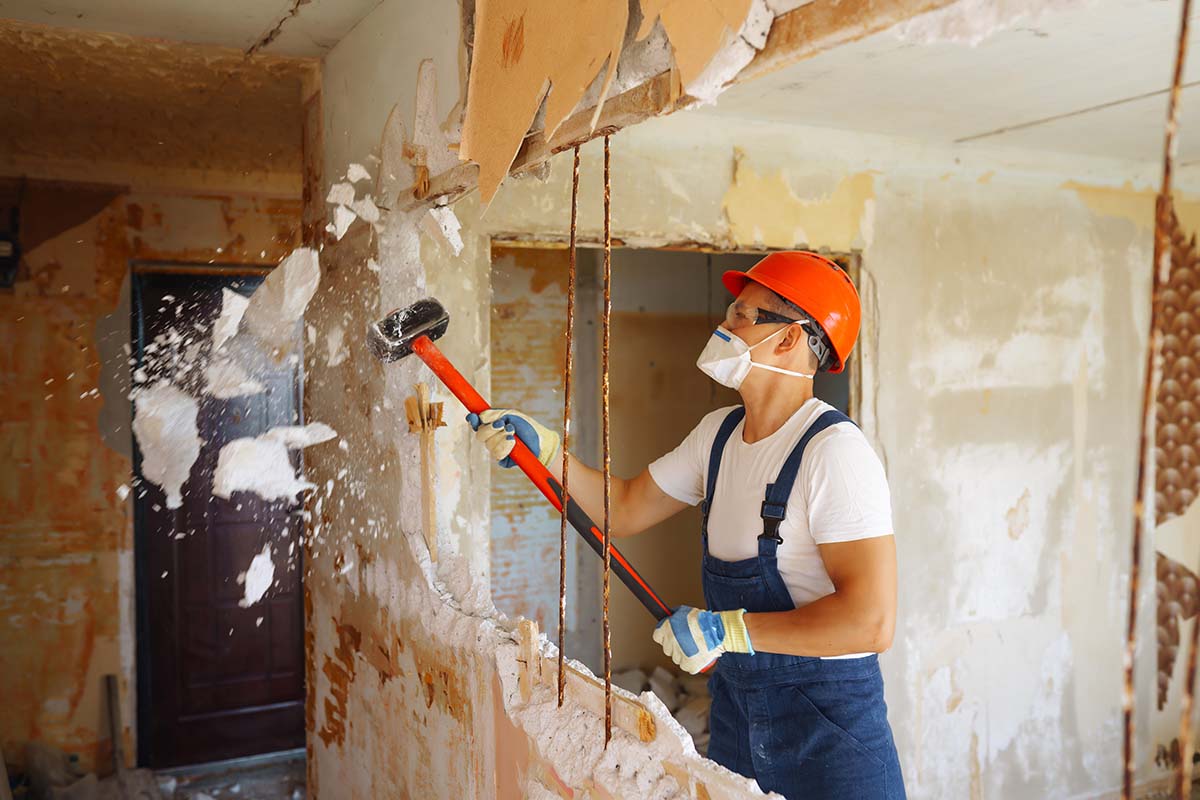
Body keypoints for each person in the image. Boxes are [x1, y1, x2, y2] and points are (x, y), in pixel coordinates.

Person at [468, 251, 904, 799]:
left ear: (790, 339)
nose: (723, 326)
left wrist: (730, 630)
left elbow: (870, 621)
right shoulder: (718, 435)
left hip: (830, 737)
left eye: (742, 316)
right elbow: (623, 508)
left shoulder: (834, 453)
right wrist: (549, 453)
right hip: (737, 719)